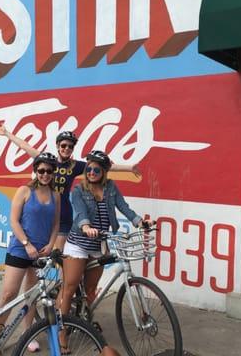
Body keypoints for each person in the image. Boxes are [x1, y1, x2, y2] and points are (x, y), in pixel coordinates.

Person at [58, 150, 152, 353]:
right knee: (70, 288)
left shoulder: (110, 187)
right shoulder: (78, 189)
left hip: (99, 245)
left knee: (90, 291)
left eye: (96, 169)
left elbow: (123, 207)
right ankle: (62, 332)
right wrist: (85, 226)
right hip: (79, 244)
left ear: (104, 172)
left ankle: (84, 321)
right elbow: (81, 212)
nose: (91, 172)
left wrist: (140, 222)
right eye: (89, 168)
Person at [0, 125, 141, 250]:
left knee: (57, 256)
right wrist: (7, 134)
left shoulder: (76, 166)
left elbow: (100, 166)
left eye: (70, 146)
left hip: (63, 213)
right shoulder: (47, 162)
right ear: (58, 146)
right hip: (44, 212)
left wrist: (129, 168)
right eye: (63, 145)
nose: (66, 149)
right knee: (39, 256)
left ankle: (59, 284)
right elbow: (25, 146)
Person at [0, 152, 60, 352]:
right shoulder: (24, 190)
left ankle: (27, 333)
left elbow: (56, 224)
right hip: (20, 250)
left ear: (53, 173)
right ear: (35, 171)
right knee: (9, 293)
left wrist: (50, 245)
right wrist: (26, 244)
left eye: (49, 171)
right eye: (41, 170)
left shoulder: (56, 195)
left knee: (31, 296)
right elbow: (13, 221)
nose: (45, 174)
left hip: (41, 253)